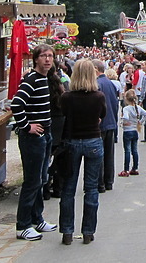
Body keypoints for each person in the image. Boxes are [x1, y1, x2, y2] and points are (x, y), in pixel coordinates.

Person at [11, 44, 57, 241]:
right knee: (32, 181)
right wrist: (27, 126)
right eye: (44, 56)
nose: (48, 59)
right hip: (33, 138)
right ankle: (23, 225)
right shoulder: (31, 80)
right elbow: (16, 104)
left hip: (45, 134)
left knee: (41, 179)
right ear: (36, 59)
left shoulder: (44, 79)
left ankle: (37, 218)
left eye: (50, 56)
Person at [58, 60, 106, 245]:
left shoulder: (67, 97)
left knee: (68, 188)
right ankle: (88, 231)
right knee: (91, 188)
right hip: (93, 140)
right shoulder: (98, 96)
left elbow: (63, 116)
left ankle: (67, 232)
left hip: (72, 141)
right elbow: (103, 115)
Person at [93, 60, 119, 193]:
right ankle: (109, 181)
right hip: (110, 122)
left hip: (101, 124)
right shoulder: (110, 83)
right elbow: (115, 103)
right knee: (109, 154)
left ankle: (100, 183)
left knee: (99, 155)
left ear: (96, 69)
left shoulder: (97, 84)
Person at [44, 64, 66, 200]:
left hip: (47, 123)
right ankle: (58, 188)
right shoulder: (60, 86)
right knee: (59, 160)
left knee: (45, 159)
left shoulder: (41, 85)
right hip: (60, 124)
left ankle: (45, 189)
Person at [119, 90, 146, 177]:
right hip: (135, 131)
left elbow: (125, 117)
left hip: (127, 131)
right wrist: (140, 121)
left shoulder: (126, 109)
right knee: (134, 150)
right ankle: (135, 168)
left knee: (127, 151)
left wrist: (123, 122)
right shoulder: (138, 108)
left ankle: (126, 169)